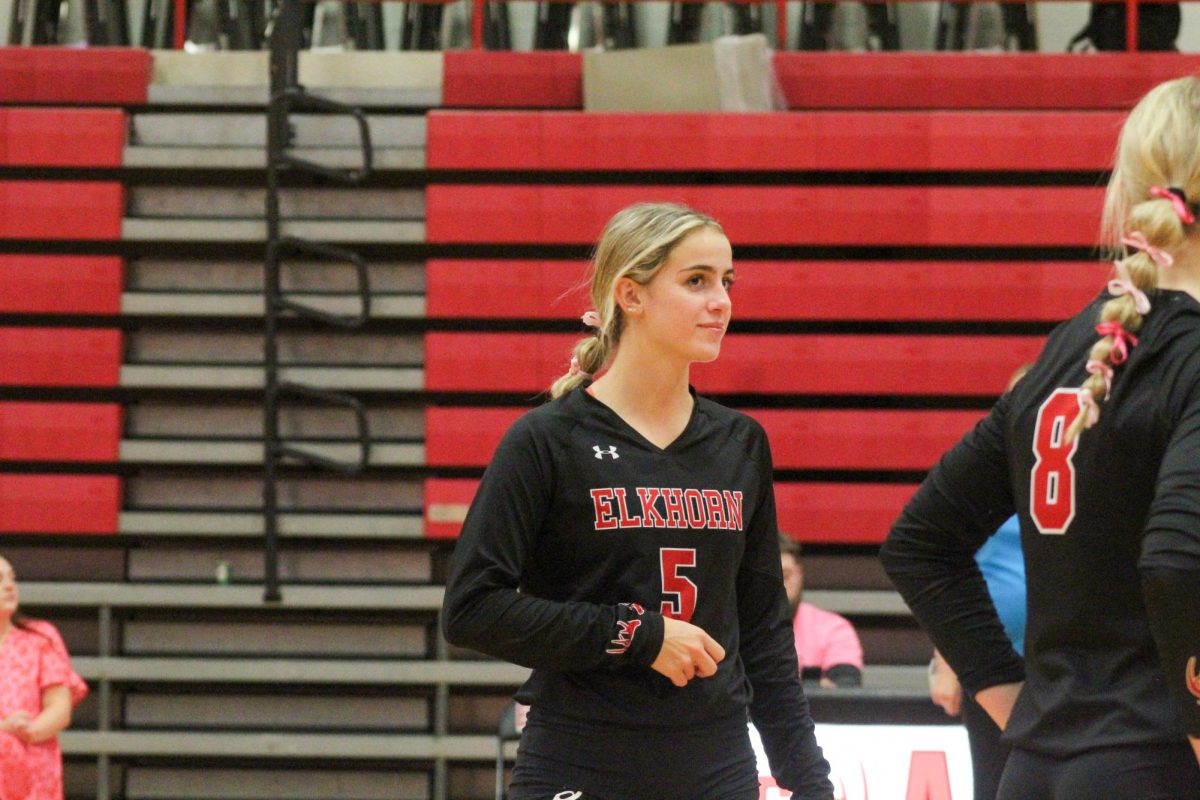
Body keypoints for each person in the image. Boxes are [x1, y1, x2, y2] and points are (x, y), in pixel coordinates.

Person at [441, 202, 833, 800]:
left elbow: (765, 635)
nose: (721, 301)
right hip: (581, 758)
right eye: (696, 281)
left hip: (716, 764)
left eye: (726, 282)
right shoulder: (547, 440)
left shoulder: (740, 443)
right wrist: (636, 634)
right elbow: (471, 607)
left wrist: (811, 784)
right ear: (631, 295)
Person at [881, 74, 1200, 800]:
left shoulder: (1066, 348)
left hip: (1036, 768)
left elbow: (920, 541)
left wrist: (1013, 705)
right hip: (1154, 767)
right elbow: (1178, 563)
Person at [927, 365, 1031, 800]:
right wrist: (949, 660)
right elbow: (943, 563)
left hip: (1067, 665)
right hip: (991, 663)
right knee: (995, 786)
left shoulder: (1090, 473)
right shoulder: (984, 476)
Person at [0, 556, 88, 800]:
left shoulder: (41, 638)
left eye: (12, 578)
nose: (9, 586)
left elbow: (60, 707)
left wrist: (28, 731)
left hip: (33, 777)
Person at [778, 535, 864, 688]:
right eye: (766, 578)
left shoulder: (833, 630)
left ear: (799, 574)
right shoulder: (731, 629)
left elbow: (846, 689)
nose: (778, 586)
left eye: (785, 575)